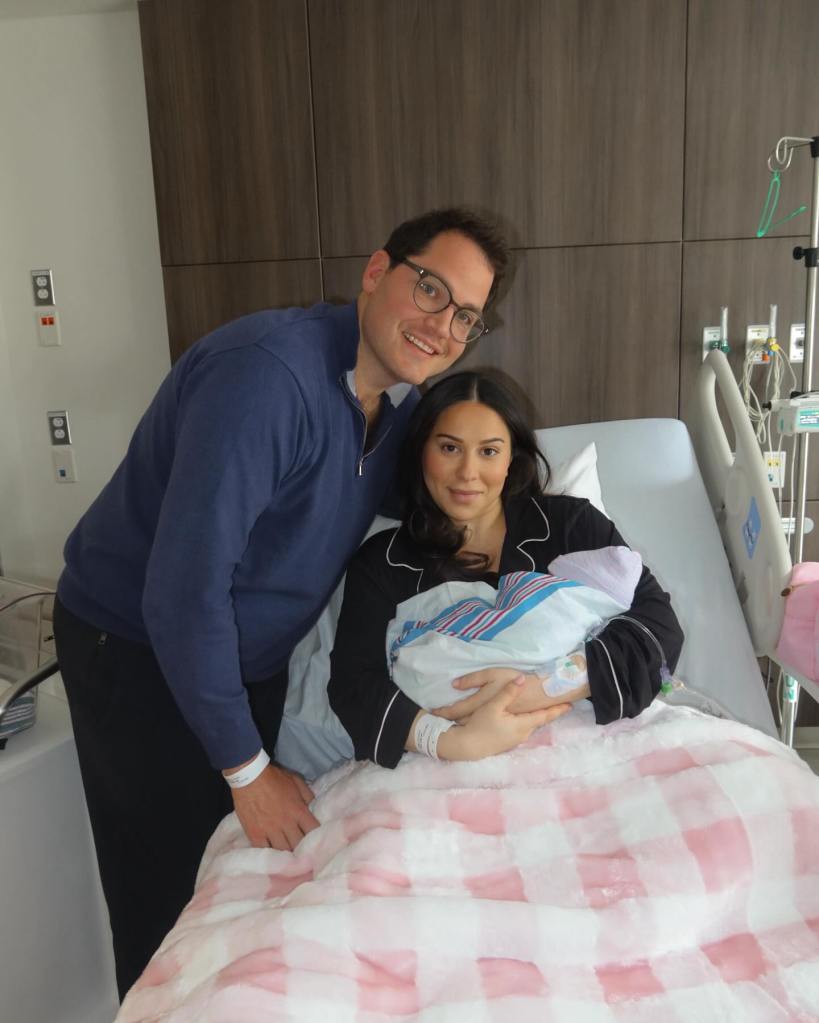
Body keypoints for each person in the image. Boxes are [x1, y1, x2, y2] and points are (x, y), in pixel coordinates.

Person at [52, 207, 509, 997]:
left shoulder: (398, 405)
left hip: (242, 659)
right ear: (376, 271)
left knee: (241, 891)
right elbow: (181, 592)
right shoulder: (266, 381)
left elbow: (444, 491)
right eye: (430, 289)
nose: (441, 325)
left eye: (465, 315)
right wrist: (247, 767)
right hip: (136, 650)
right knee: (171, 907)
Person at [328, 371, 685, 766]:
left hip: (589, 745)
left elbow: (659, 627)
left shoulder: (570, 525)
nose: (468, 473)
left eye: (489, 451)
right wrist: (450, 742)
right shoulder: (383, 564)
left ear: (512, 458)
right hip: (444, 764)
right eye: (449, 448)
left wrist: (541, 687)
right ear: (420, 451)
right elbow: (354, 685)